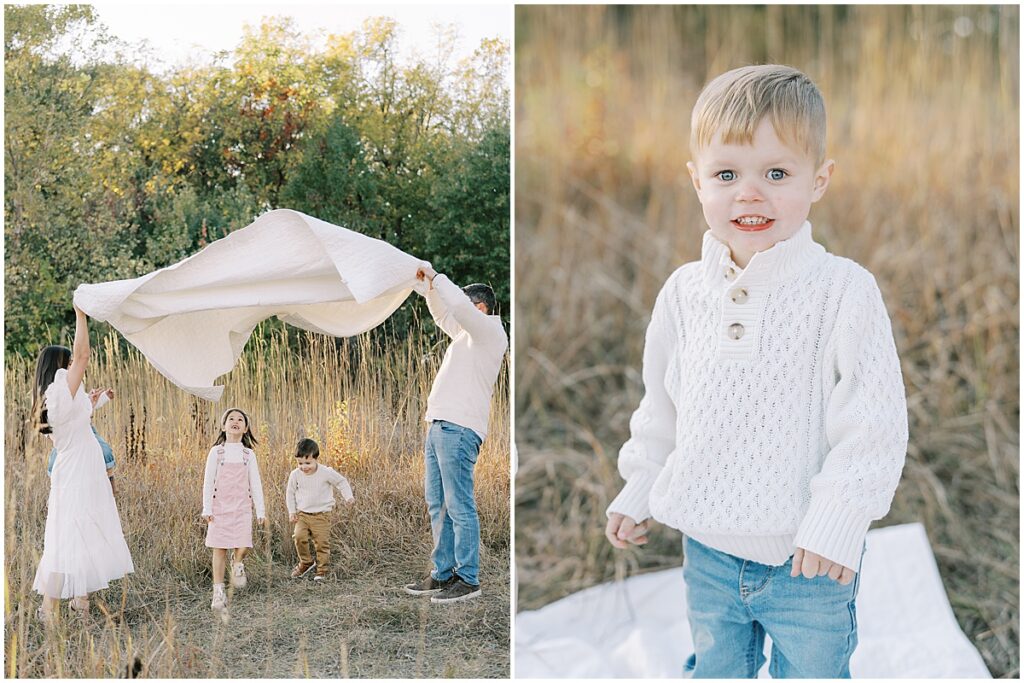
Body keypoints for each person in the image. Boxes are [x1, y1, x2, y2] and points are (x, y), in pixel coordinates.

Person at [604, 65, 909, 678]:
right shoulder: (684, 293)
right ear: (696, 181)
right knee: (717, 670)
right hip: (709, 552)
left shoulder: (842, 291)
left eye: (777, 174)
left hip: (809, 559)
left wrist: (838, 520)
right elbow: (662, 406)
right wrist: (642, 483)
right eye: (726, 174)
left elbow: (873, 422)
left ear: (818, 181)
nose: (749, 193)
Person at [404, 267, 508, 604]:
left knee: (460, 505)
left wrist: (438, 278)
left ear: (480, 308)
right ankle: (443, 573)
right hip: (438, 426)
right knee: (437, 504)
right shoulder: (465, 336)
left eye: (465, 304)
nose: (458, 310)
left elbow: (458, 309)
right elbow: (444, 314)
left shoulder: (491, 333)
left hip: (460, 429)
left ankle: (468, 578)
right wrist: (429, 289)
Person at [30, 304, 134, 622]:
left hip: (81, 470)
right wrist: (81, 316)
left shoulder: (56, 397)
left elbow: (76, 420)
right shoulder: (58, 389)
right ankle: (50, 607)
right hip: (76, 472)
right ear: (59, 367)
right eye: (68, 363)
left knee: (82, 533)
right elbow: (84, 355)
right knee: (68, 535)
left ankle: (80, 601)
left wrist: (94, 400)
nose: (74, 366)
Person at [201, 408, 266, 612]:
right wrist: (207, 507)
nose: (235, 421)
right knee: (219, 548)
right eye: (231, 419)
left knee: (244, 544)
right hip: (219, 508)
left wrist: (260, 511)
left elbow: (256, 484)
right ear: (223, 426)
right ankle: (218, 592)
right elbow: (208, 481)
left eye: (240, 419)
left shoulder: (248, 455)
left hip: (242, 507)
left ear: (245, 428)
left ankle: (237, 563)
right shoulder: (216, 452)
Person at [286, 438, 355, 581]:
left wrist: (348, 496)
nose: (304, 467)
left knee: (322, 542)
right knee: (299, 537)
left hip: (321, 515)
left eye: (308, 463)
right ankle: (306, 562)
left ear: (316, 458)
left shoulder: (325, 472)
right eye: (300, 463)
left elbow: (341, 482)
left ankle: (322, 570)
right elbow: (290, 493)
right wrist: (292, 511)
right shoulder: (295, 475)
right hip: (303, 514)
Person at [47, 387, 116, 494]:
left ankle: (111, 485)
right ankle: (56, 492)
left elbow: (88, 402)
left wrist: (105, 396)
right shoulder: (53, 393)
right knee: (54, 463)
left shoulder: (74, 386)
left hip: (85, 429)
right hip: (65, 436)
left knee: (105, 451)